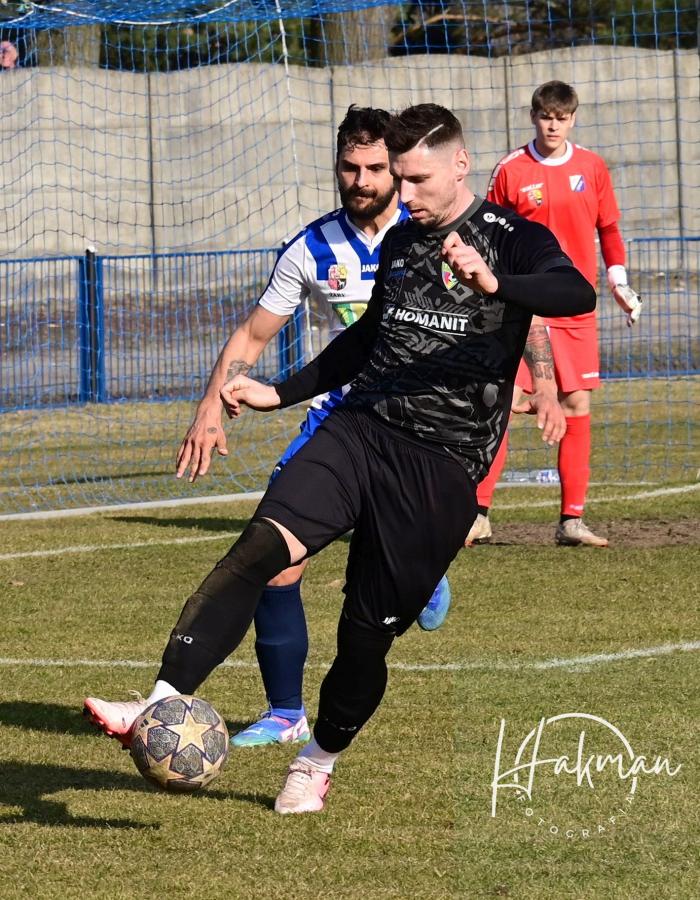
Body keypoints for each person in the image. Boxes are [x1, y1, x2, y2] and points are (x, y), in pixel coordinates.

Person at [84, 103, 595, 815]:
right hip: (360, 428)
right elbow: (366, 340)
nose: (403, 194)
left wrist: (495, 283)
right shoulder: (405, 240)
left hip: (441, 465)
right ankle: (159, 701)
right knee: (259, 550)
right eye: (398, 179)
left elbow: (576, 291)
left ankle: (316, 760)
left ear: (459, 165)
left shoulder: (513, 239)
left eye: (416, 180)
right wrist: (279, 392)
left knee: (364, 637)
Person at [174, 106, 452, 749]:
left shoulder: (431, 232)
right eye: (350, 168)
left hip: (418, 425)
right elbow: (252, 334)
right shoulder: (310, 248)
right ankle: (284, 712)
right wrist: (210, 405)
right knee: (275, 561)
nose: (362, 180)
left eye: (375, 168)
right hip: (337, 420)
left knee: (386, 567)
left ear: (397, 169)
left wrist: (532, 378)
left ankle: (420, 563)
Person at [466, 80, 642, 549]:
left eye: (561, 118)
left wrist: (619, 281)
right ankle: (478, 514)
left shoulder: (592, 167)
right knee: (502, 401)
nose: (553, 125)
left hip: (575, 305)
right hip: (522, 307)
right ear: (533, 117)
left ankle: (571, 521)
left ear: (573, 119)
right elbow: (489, 236)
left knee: (577, 404)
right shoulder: (511, 169)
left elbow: (609, 229)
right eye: (546, 116)